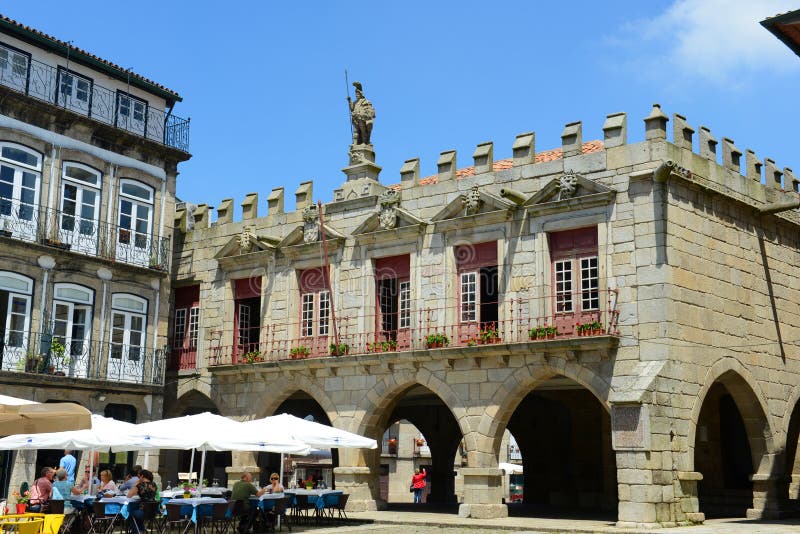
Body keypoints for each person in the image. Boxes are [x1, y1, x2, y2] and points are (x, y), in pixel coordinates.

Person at [127, 469, 157, 534]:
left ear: (142, 476)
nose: (138, 478)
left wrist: (136, 484)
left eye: (139, 476)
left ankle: (137, 532)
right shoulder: (154, 484)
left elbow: (129, 495)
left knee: (130, 514)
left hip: (143, 511)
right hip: (153, 511)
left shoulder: (140, 485)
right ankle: (142, 531)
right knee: (136, 515)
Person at [347, 81, 375, 145]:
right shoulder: (355, 102)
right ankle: (355, 143)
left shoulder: (365, 101)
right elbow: (352, 108)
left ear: (361, 94)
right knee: (355, 131)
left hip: (361, 118)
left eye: (358, 94)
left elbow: (369, 110)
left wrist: (363, 114)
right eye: (356, 94)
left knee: (363, 131)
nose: (356, 95)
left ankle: (364, 142)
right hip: (355, 118)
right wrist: (349, 101)